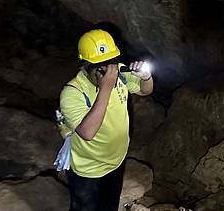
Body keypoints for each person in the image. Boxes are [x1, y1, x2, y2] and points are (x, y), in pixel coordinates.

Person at [60, 29, 154, 211]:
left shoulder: (119, 73)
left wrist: (146, 77)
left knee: (109, 206)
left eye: (111, 62)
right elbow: (87, 132)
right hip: (88, 169)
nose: (108, 69)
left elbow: (145, 90)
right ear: (85, 65)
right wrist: (106, 88)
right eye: (100, 65)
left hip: (116, 161)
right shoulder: (72, 93)